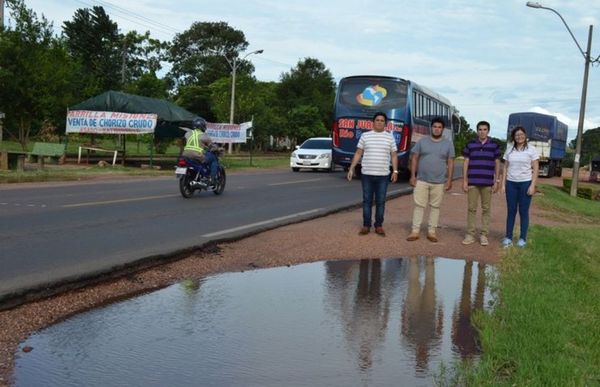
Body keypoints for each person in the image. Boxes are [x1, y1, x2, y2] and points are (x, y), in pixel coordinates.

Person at [347, 112, 398, 236]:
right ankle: (366, 225)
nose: (379, 122)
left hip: (383, 175)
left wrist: (395, 171)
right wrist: (351, 168)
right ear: (373, 122)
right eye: (377, 120)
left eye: (382, 120)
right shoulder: (365, 136)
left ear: (385, 123)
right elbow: (358, 153)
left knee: (380, 201)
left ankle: (379, 225)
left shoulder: (389, 137)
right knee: (367, 201)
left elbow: (394, 155)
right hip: (367, 174)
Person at [407, 117, 455, 242]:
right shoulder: (422, 141)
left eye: (439, 127)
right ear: (431, 128)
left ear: (443, 129)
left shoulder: (448, 144)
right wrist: (413, 176)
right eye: (435, 127)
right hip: (421, 179)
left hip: (439, 181)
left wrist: (449, 180)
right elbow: (414, 158)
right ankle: (415, 231)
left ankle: (432, 232)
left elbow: (450, 162)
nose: (437, 129)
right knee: (419, 205)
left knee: (435, 207)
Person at [461, 121, 501, 246]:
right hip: (473, 181)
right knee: (471, 209)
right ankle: (470, 234)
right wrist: (465, 180)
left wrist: (496, 181)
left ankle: (484, 235)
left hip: (488, 182)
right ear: (477, 131)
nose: (482, 131)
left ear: (488, 131)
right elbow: (466, 162)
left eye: (484, 129)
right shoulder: (470, 144)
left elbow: (497, 163)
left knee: (486, 209)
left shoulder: (494, 145)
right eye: (480, 129)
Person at [501, 126, 539, 248]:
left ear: (525, 135)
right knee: (511, 211)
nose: (519, 137)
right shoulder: (509, 149)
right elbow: (505, 167)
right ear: (514, 137)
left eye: (521, 134)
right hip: (511, 183)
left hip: (525, 183)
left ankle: (522, 238)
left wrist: (533, 185)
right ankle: (508, 237)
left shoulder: (531, 149)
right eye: (517, 135)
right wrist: (503, 184)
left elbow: (536, 168)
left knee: (523, 211)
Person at [182, 117, 218, 185]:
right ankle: (212, 179)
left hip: (185, 155)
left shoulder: (187, 133)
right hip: (197, 156)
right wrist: (216, 148)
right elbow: (211, 146)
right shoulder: (204, 136)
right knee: (213, 159)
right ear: (202, 126)